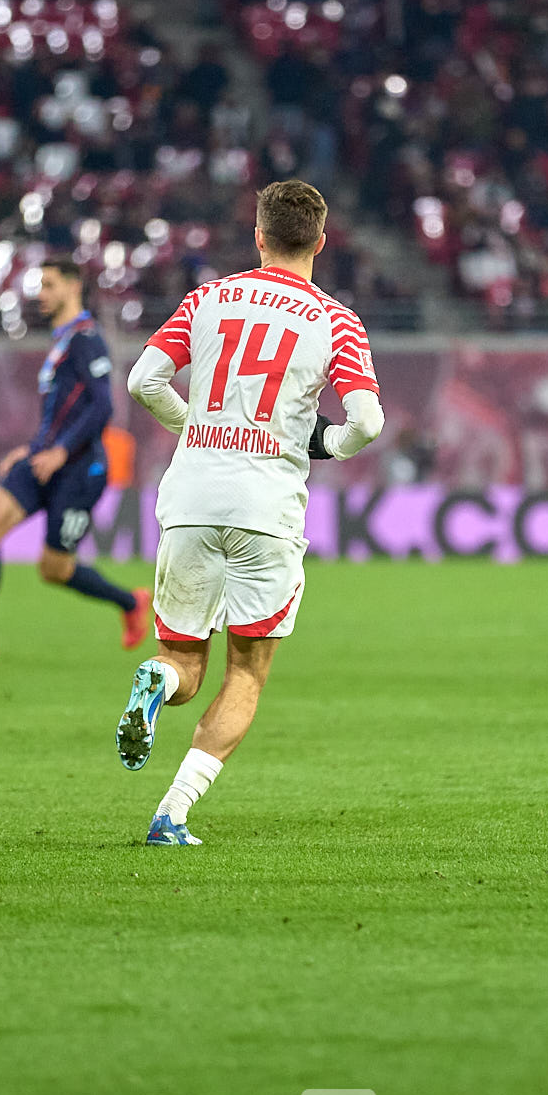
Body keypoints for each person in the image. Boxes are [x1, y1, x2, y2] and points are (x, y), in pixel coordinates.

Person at [117, 179, 384, 845]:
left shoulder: (207, 299)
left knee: (182, 660)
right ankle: (171, 815)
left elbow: (143, 381)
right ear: (321, 242)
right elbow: (368, 422)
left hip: (192, 496)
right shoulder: (334, 319)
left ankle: (159, 679)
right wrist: (321, 444)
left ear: (259, 236)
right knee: (245, 672)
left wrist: (195, 427)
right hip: (266, 506)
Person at [0, 259, 151, 669]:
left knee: (54, 569)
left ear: (74, 287)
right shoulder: (61, 341)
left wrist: (61, 451)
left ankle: (130, 601)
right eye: (40, 286)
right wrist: (34, 447)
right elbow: (59, 413)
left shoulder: (87, 339)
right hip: (43, 462)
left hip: (79, 471)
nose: (41, 294)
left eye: (50, 285)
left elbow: (102, 405)